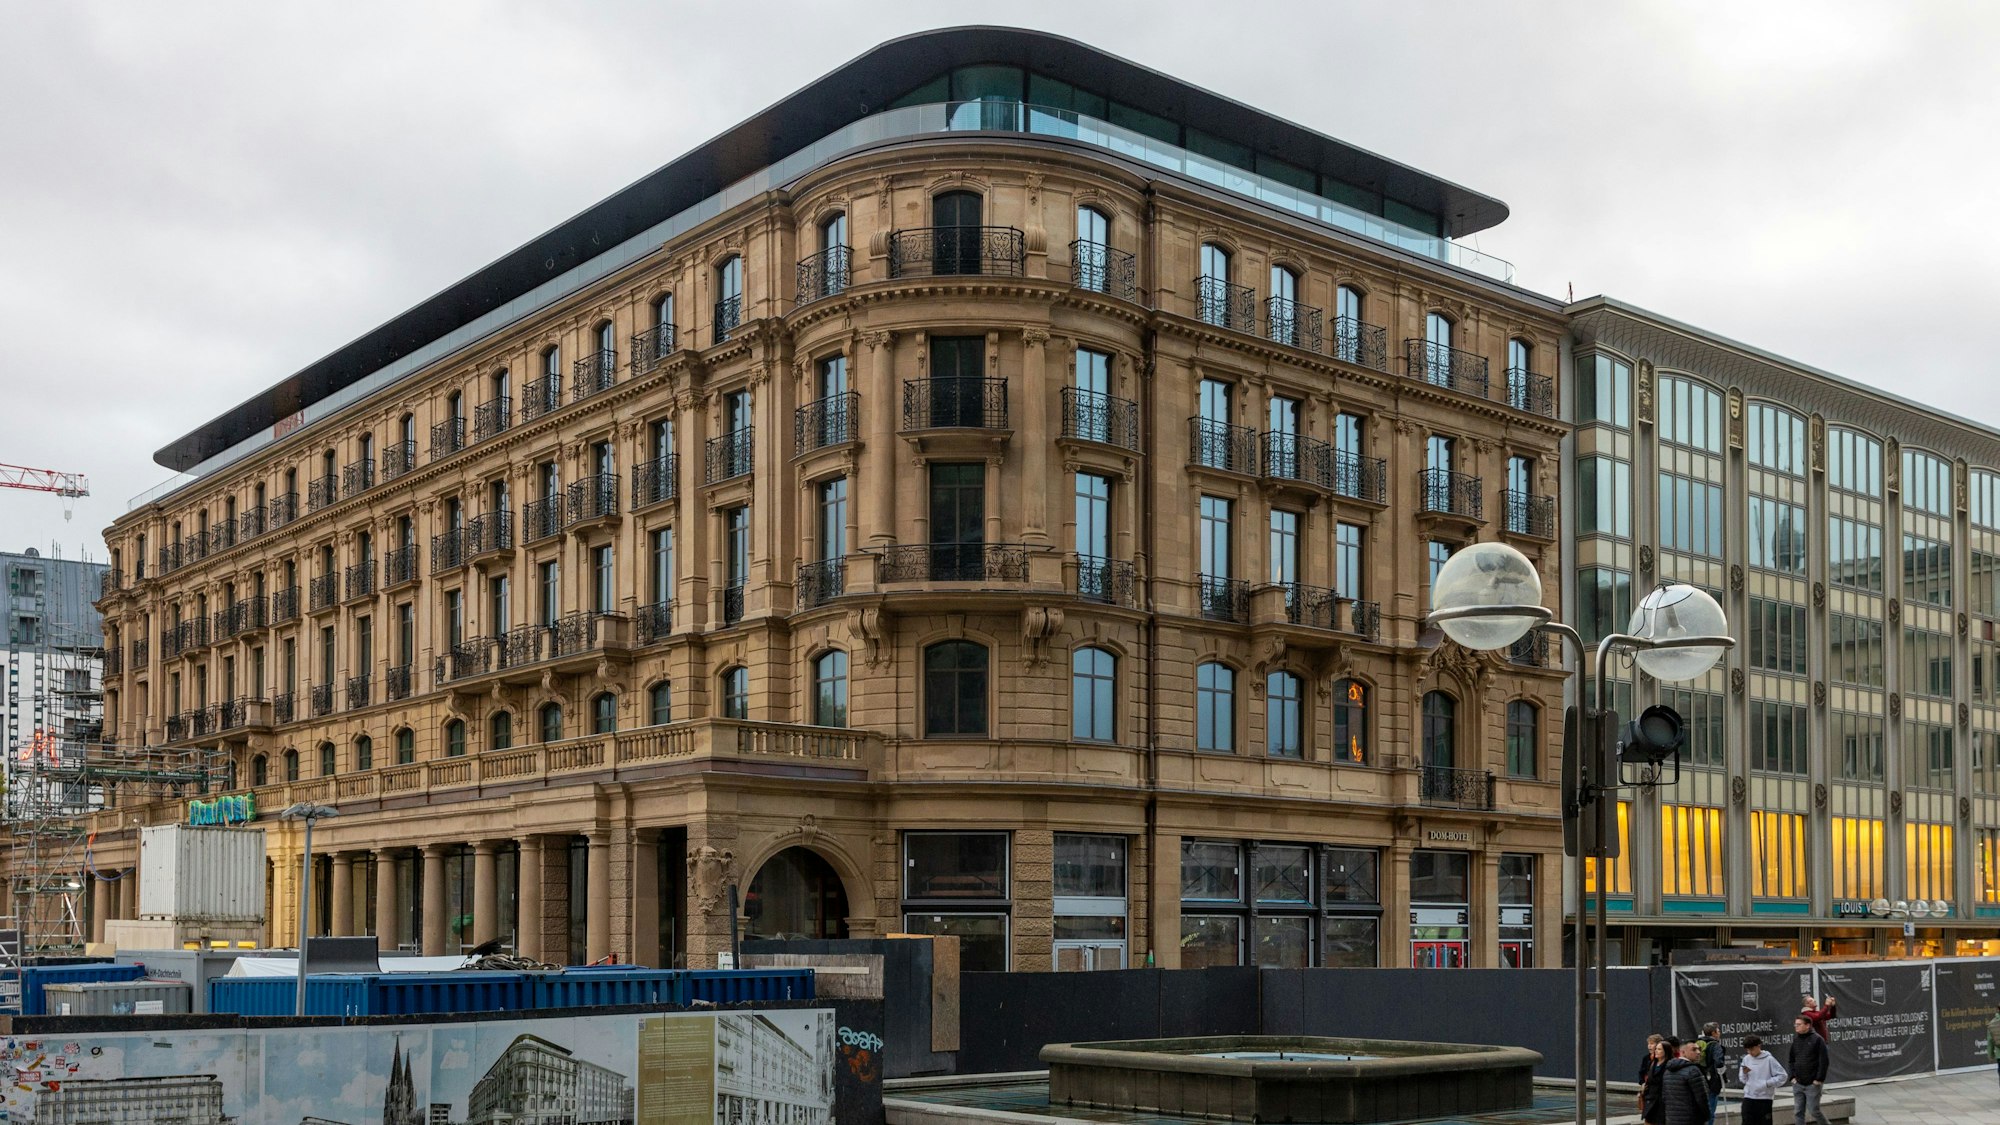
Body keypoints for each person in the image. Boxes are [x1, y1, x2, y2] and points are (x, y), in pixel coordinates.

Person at [1786, 1014, 1830, 1125]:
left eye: (1799, 1024)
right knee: (1798, 1112)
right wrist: (1792, 1077)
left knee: (1814, 1111)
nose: (1796, 1026)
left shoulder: (1818, 1039)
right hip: (1798, 1083)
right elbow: (1791, 1060)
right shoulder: (1796, 1040)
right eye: (1795, 1024)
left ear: (1807, 1025)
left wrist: (1819, 1079)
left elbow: (1824, 1061)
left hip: (1812, 1084)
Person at [1738, 1034, 1788, 1125]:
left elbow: (1782, 1076)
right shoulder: (1746, 1059)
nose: (1750, 1052)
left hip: (1764, 1098)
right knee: (1746, 1121)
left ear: (1758, 1046)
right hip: (1749, 1096)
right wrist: (1744, 1074)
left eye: (1752, 1049)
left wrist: (1766, 1083)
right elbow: (1743, 1079)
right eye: (1748, 1050)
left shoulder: (1769, 1060)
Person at [1662, 1039, 1712, 1125]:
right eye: (1694, 1050)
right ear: (1683, 1052)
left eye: (1699, 1049)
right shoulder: (1693, 1070)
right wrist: (1707, 1116)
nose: (1698, 1052)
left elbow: (1664, 1097)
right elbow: (1702, 1097)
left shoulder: (1668, 1070)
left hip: (1672, 1119)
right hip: (1691, 1119)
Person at [1695, 1021, 1724, 1122]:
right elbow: (1719, 1062)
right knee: (1710, 1111)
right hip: (1712, 1081)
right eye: (1718, 1031)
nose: (1719, 1033)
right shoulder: (1715, 1045)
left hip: (1698, 1079)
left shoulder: (1697, 1044)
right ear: (1713, 1033)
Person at [1639, 1035, 1669, 1124]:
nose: (1649, 1046)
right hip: (1650, 1095)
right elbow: (1642, 1072)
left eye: (1652, 1044)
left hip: (1660, 1098)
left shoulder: (1668, 1064)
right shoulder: (1648, 1059)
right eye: (1648, 1044)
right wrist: (1643, 1083)